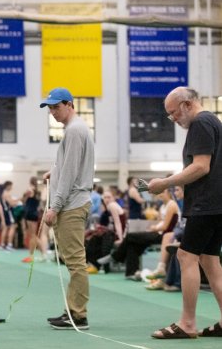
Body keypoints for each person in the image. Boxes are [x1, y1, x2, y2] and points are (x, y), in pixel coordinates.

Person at [147, 86, 222, 340]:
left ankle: (187, 323)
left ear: (187, 104)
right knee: (210, 261)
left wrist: (165, 183)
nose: (174, 119)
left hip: (206, 204)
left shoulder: (201, 123)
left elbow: (201, 166)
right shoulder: (211, 122)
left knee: (185, 256)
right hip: (215, 204)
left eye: (174, 113)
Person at [40, 87, 95, 330]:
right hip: (73, 201)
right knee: (74, 261)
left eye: (56, 106)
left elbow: (72, 172)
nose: (52, 112)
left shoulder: (74, 131)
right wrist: (55, 170)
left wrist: (55, 206)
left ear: (69, 104)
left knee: (75, 262)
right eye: (50, 108)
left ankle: (78, 315)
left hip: (72, 204)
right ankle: (73, 310)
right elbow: (70, 165)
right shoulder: (77, 129)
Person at [98, 187, 179, 280]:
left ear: (169, 193)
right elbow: (158, 222)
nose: (160, 194)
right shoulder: (162, 206)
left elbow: (165, 226)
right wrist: (152, 227)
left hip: (165, 235)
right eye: (159, 192)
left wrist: (154, 228)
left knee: (130, 236)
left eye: (163, 192)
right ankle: (131, 273)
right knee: (132, 243)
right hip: (156, 232)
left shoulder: (172, 205)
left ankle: (116, 256)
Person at [21, 176, 48, 263]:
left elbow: (23, 201)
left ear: (30, 182)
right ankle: (43, 253)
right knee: (34, 236)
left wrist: (24, 195)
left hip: (30, 214)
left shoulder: (30, 190)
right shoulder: (38, 191)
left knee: (32, 236)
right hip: (34, 213)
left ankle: (31, 255)